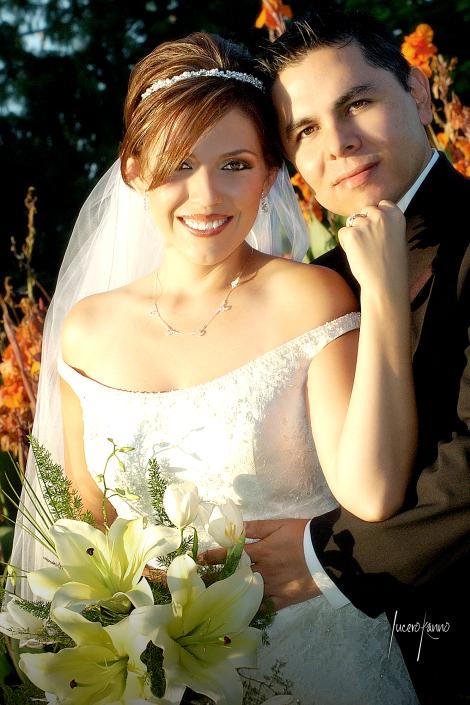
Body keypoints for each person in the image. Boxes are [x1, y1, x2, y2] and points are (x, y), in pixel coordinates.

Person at [9, 32, 420, 704]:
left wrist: (384, 299)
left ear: (268, 172)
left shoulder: (308, 297)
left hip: (316, 661)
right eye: (177, 165)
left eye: (234, 163)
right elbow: (80, 536)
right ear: (135, 168)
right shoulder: (87, 331)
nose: (205, 196)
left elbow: (371, 492)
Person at [220, 8, 469, 705]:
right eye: (304, 130)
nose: (339, 144)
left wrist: (321, 560)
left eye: (358, 102)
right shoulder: (314, 290)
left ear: (419, 93)